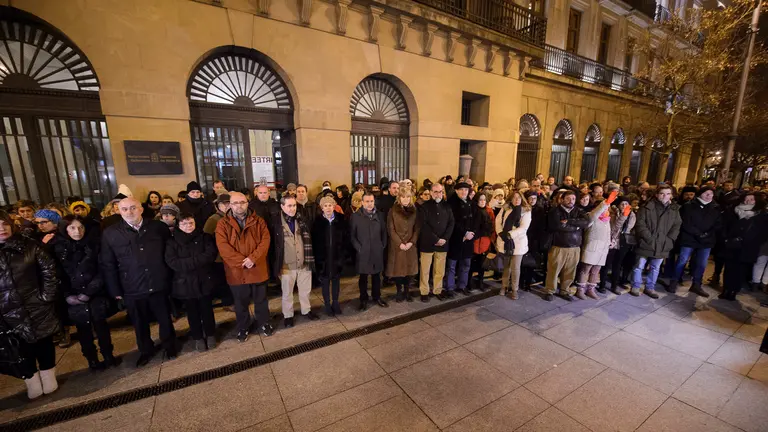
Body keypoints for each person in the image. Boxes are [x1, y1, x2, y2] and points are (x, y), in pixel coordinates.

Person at [101, 197, 177, 367]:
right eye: (125, 209)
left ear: (141, 209)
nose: (129, 212)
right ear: (118, 211)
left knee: (165, 319)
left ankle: (170, 346)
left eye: (133, 208)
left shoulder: (158, 228)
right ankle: (146, 350)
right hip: (132, 286)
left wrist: (171, 279)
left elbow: (170, 254)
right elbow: (108, 264)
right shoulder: (111, 233)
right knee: (139, 322)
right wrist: (116, 291)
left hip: (158, 282)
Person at [0, 211, 60, 399]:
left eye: (4, 224)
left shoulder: (29, 245)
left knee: (44, 342)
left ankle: (48, 376)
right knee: (20, 346)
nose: (2, 229)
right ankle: (31, 381)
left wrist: (45, 297)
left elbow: (49, 271)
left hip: (36, 304)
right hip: (7, 310)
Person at [54, 215, 118, 370]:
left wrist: (90, 291)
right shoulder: (57, 248)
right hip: (73, 297)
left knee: (101, 326)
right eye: (73, 228)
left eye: (81, 227)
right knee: (83, 330)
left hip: (95, 293)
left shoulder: (93, 244)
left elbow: (102, 268)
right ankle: (92, 360)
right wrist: (67, 295)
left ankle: (108, 356)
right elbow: (57, 274)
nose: (78, 231)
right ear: (65, 229)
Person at [216, 192, 274, 341]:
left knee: (261, 301)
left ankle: (264, 323)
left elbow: (265, 241)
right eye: (235, 203)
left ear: (247, 203)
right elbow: (223, 248)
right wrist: (242, 261)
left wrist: (253, 258)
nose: (239, 206)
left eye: (242, 202)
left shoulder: (259, 221)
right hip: (237, 271)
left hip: (257, 268)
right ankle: (243, 327)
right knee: (240, 303)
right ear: (230, 204)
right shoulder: (223, 224)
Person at [165, 213, 219, 351]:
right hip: (185, 282)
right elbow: (172, 262)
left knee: (207, 309)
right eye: (184, 224)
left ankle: (211, 334)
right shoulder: (172, 241)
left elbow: (210, 255)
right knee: (192, 311)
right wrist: (196, 262)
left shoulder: (205, 237)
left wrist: (188, 263)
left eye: (191, 223)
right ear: (178, 225)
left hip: (203, 279)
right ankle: (198, 337)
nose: (188, 226)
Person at [272, 195, 318, 328]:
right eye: (289, 206)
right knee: (287, 293)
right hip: (286, 264)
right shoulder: (275, 222)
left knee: (305, 290)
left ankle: (306, 310)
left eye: (294, 205)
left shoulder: (302, 219)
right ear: (282, 206)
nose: (292, 209)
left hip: (304, 261)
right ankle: (288, 315)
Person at [666, 186, 720, 297]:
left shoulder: (716, 207)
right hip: (689, 238)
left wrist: (706, 234)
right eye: (706, 194)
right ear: (700, 194)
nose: (709, 196)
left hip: (706, 240)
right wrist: (698, 233)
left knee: (701, 263)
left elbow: (717, 224)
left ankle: (696, 284)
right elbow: (685, 222)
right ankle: (674, 281)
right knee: (682, 260)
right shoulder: (688, 206)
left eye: (711, 194)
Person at [630, 185, 682, 299]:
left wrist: (669, 239)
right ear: (657, 195)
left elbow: (677, 225)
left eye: (668, 194)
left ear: (671, 195)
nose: (665, 196)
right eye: (662, 193)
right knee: (639, 266)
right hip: (646, 242)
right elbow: (640, 224)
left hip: (663, 243)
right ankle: (635, 286)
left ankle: (650, 287)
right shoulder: (647, 207)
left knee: (655, 267)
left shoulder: (674, 209)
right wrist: (649, 238)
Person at [720, 194, 768, 300]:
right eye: (746, 199)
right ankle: (726, 289)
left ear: (756, 201)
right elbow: (726, 225)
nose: (748, 201)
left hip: (748, 248)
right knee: (729, 269)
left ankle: (733, 291)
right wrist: (727, 238)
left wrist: (749, 241)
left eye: (751, 199)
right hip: (732, 245)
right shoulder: (735, 211)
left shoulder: (761, 215)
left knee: (740, 271)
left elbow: (763, 234)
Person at [544, 190, 590, 302]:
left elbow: (586, 222)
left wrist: (569, 222)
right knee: (553, 270)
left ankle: (564, 290)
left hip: (574, 247)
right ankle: (550, 291)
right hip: (558, 246)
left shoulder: (579, 210)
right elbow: (557, 226)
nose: (571, 201)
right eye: (568, 198)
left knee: (570, 271)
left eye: (573, 199)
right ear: (562, 199)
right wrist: (576, 227)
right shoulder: (555, 211)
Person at [350, 192, 389, 310]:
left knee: (377, 276)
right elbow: (352, 236)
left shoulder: (380, 215)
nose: (369, 204)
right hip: (363, 252)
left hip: (377, 250)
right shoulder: (356, 216)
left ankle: (377, 297)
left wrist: (382, 245)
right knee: (363, 277)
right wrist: (359, 248)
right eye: (367, 201)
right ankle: (363, 299)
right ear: (362, 203)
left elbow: (384, 233)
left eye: (371, 201)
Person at [576, 192, 617, 299]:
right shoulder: (590, 216)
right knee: (586, 269)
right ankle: (580, 289)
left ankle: (591, 289)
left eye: (607, 209)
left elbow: (608, 232)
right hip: (591, 247)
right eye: (604, 208)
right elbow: (595, 214)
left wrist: (610, 242)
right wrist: (605, 203)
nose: (606, 210)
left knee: (595, 271)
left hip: (602, 249)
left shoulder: (606, 220)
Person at [417, 183, 454, 302]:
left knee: (440, 270)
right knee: (425, 270)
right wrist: (436, 239)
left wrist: (444, 238)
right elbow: (423, 225)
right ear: (431, 193)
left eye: (440, 192)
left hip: (443, 244)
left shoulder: (447, 206)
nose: (438, 194)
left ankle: (437, 290)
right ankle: (424, 291)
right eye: (436, 192)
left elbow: (451, 223)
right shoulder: (424, 207)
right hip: (427, 243)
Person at [312, 196, 347, 316]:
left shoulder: (341, 220)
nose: (328, 208)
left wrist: (343, 255)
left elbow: (345, 239)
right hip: (324, 259)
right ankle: (327, 304)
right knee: (325, 282)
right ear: (321, 208)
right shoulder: (317, 222)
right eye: (325, 206)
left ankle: (336, 303)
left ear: (334, 206)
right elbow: (314, 242)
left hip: (337, 257)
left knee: (336, 281)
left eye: (330, 205)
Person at [386, 182, 420, 302]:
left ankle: (407, 291)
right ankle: (399, 291)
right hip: (397, 245)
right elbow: (391, 228)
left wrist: (411, 242)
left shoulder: (414, 210)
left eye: (408, 197)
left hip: (410, 245)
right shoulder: (393, 210)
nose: (405, 199)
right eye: (403, 197)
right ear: (399, 197)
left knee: (409, 271)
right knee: (399, 271)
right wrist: (399, 243)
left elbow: (417, 228)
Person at [496, 191, 531, 299]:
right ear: (510, 199)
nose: (516, 200)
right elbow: (498, 221)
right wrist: (501, 233)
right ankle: (504, 286)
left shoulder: (526, 211)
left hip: (518, 243)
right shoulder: (505, 209)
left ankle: (514, 289)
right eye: (514, 198)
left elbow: (523, 227)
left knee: (515, 267)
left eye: (519, 198)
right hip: (505, 241)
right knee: (506, 266)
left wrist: (509, 235)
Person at [599, 197, 635, 295]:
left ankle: (614, 286)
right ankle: (602, 285)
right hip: (611, 241)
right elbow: (614, 227)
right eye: (622, 204)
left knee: (617, 265)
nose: (624, 206)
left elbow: (628, 229)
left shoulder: (632, 215)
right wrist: (623, 216)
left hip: (623, 242)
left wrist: (625, 216)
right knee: (606, 264)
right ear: (618, 205)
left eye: (626, 204)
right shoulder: (612, 213)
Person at [446, 182, 477, 297]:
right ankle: (449, 287)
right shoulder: (451, 204)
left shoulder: (471, 203)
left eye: (466, 190)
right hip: (456, 239)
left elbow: (475, 220)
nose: (464, 192)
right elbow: (453, 222)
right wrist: (464, 233)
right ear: (456, 191)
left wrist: (472, 233)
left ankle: (462, 286)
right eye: (461, 190)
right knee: (452, 266)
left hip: (469, 239)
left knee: (466, 264)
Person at [470, 192, 494, 292]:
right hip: (474, 241)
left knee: (482, 264)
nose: (483, 202)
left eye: (484, 200)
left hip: (484, 241)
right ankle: (469, 282)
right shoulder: (472, 211)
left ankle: (480, 282)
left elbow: (491, 227)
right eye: (480, 200)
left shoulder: (488, 211)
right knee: (471, 264)